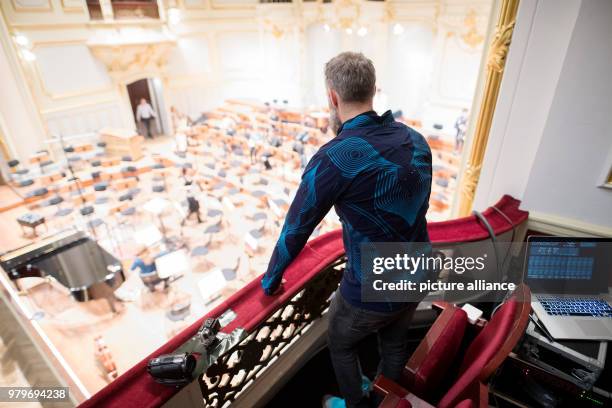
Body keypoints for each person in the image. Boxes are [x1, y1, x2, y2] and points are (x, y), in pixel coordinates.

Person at [260, 52, 432, 408]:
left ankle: (358, 404)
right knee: (396, 343)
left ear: (333, 98)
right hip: (419, 271)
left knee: (340, 342)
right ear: (373, 90)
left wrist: (271, 281)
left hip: (373, 288)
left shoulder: (333, 157)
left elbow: (295, 230)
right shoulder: (416, 140)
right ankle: (388, 397)